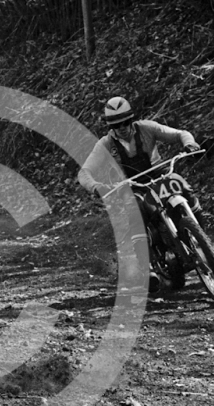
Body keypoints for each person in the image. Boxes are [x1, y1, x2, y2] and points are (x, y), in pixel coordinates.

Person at [78, 96, 203, 291]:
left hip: (160, 174)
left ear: (131, 119)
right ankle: (148, 268)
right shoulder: (105, 144)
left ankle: (202, 235)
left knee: (182, 185)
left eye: (125, 122)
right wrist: (96, 187)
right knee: (135, 211)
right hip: (132, 185)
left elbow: (180, 133)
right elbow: (85, 172)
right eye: (116, 124)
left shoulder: (147, 127)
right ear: (110, 126)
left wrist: (189, 143)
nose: (122, 127)